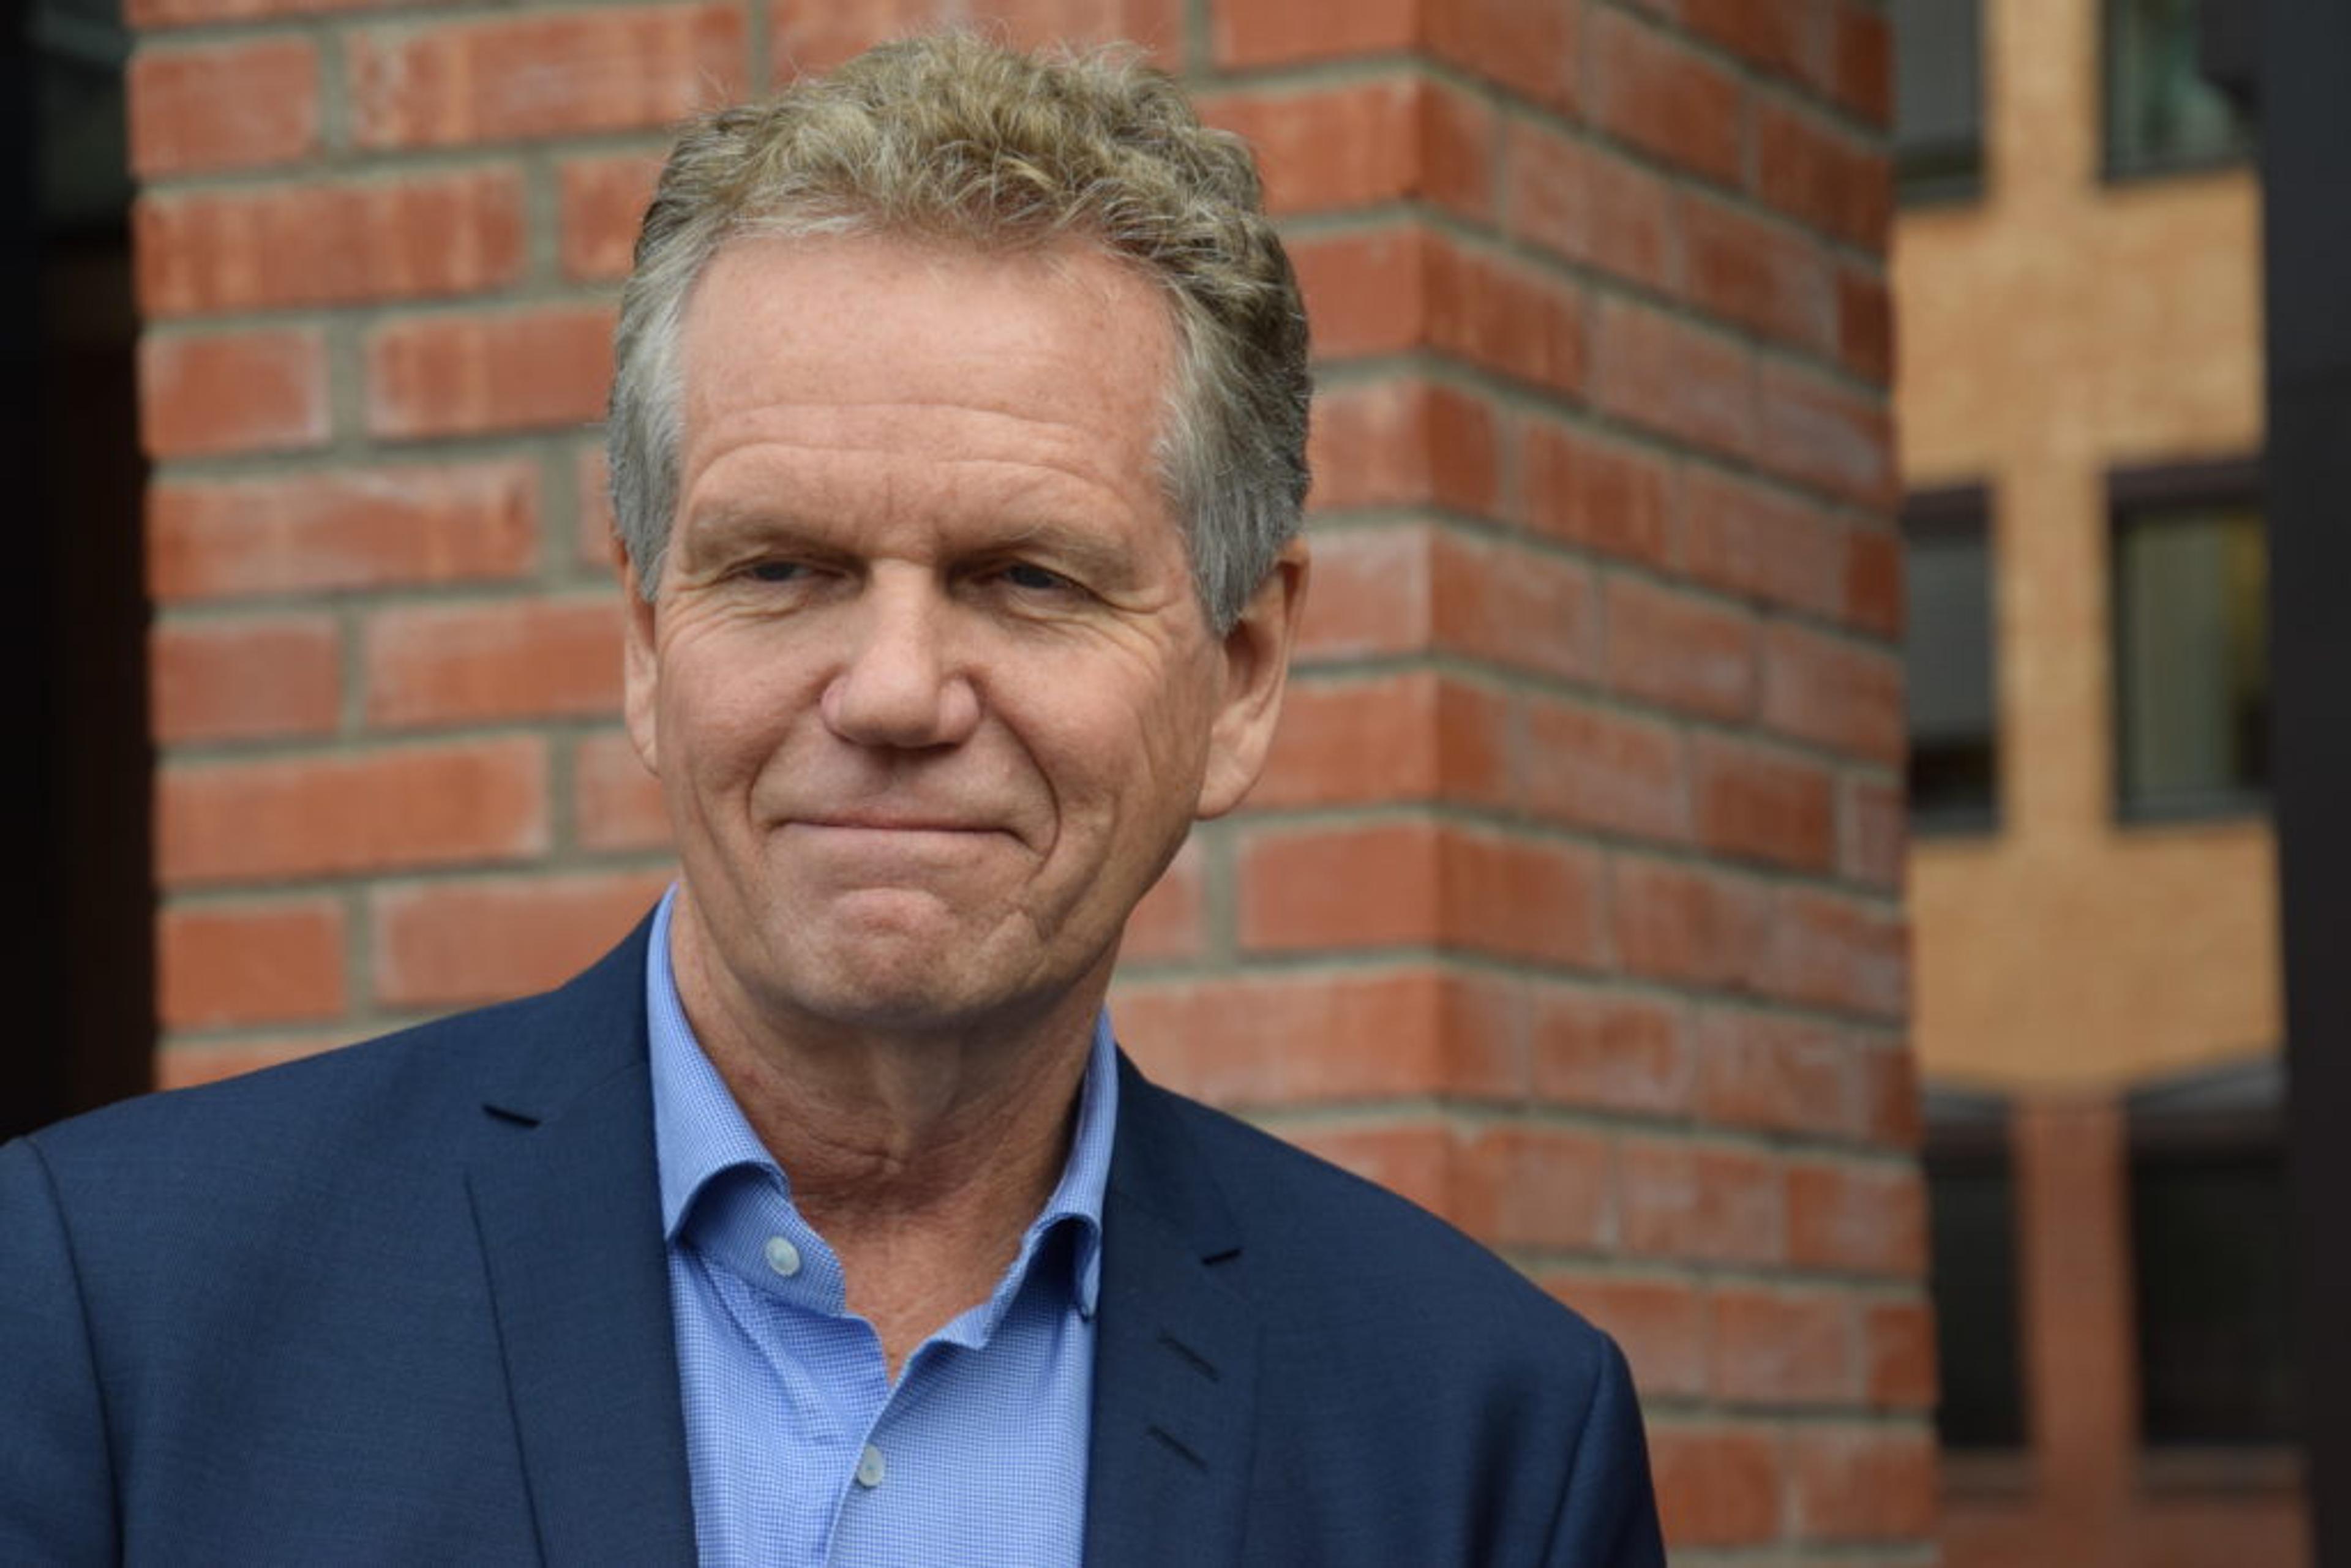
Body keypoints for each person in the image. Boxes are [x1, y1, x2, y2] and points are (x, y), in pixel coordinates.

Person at [1, 33, 1665, 1566]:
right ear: (648, 638)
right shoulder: (110, 1310)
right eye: (782, 567)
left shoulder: (1484, 1440)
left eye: (1026, 577)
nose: (892, 692)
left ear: (1239, 673)